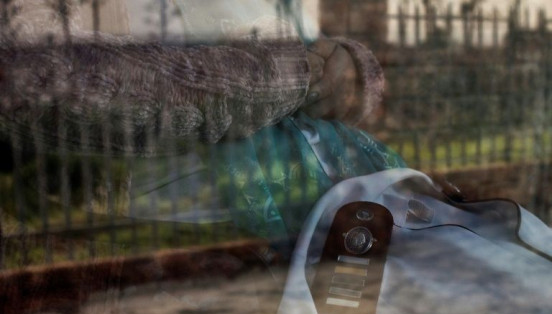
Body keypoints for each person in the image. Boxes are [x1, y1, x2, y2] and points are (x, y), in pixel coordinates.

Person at [0, 0, 405, 241]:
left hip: (306, 233)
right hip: (143, 249)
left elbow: (301, 38)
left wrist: (348, 71)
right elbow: (30, 79)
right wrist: (289, 77)